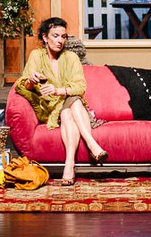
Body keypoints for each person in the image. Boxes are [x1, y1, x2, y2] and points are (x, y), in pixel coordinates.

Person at [14, 17, 107, 186]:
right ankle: (93, 145)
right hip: (50, 109)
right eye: (55, 36)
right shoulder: (36, 56)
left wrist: (59, 90)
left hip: (71, 105)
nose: (60, 41)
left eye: (63, 37)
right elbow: (23, 86)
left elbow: (80, 87)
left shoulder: (71, 57)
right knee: (67, 110)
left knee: (71, 106)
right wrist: (31, 81)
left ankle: (69, 165)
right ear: (44, 37)